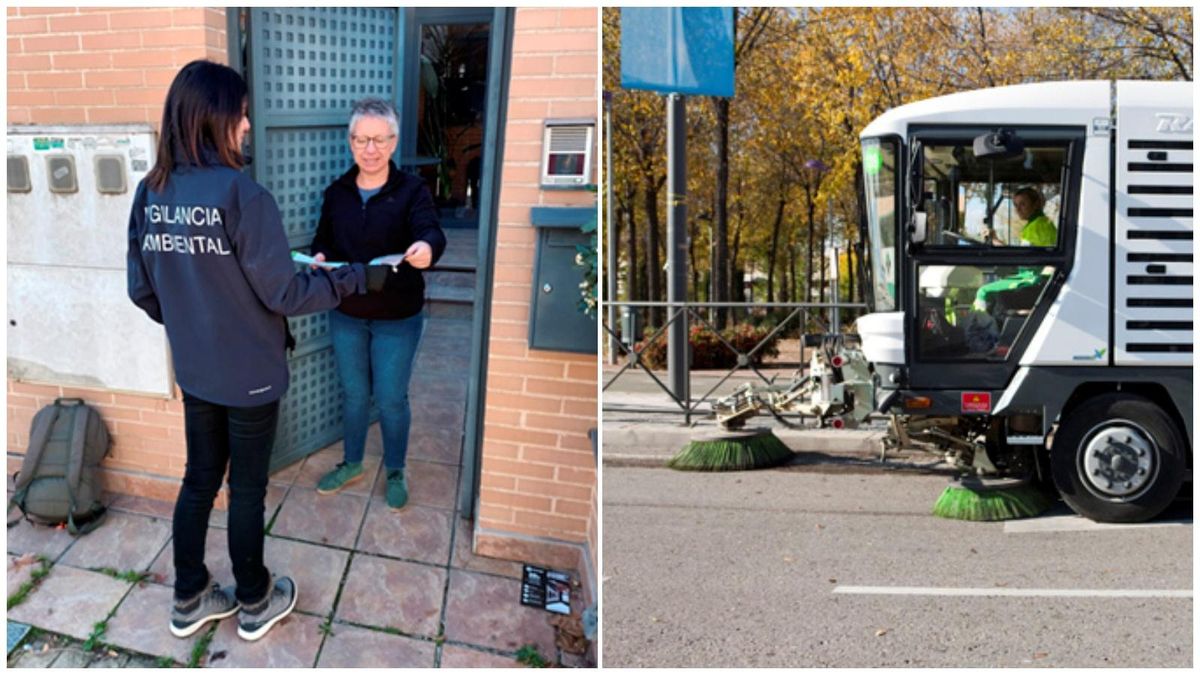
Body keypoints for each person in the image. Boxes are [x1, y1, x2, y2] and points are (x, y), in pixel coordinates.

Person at [127, 61, 388, 642]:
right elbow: (285, 293)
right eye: (242, 114)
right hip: (249, 374)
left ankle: (189, 597)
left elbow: (142, 289)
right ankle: (254, 598)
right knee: (245, 489)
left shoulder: (152, 192)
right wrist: (350, 278)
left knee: (199, 480)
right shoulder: (242, 194)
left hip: (196, 369)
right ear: (215, 117)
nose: (247, 125)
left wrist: (194, 323)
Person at [309, 98, 446, 510]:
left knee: (390, 398)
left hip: (397, 316)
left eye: (380, 140)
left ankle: (396, 470)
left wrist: (426, 248)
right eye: (362, 140)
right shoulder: (337, 193)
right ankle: (352, 462)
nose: (370, 149)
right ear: (350, 141)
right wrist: (319, 257)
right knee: (354, 395)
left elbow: (431, 231)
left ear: (394, 142)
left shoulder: (412, 190)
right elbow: (323, 240)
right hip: (348, 312)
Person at [983, 186, 1057, 247]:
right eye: (1016, 205)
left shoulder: (1037, 227)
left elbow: (1020, 257)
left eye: (1022, 204)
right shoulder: (1042, 223)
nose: (1017, 209)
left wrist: (995, 241)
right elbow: (1022, 254)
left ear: (1035, 204)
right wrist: (995, 240)